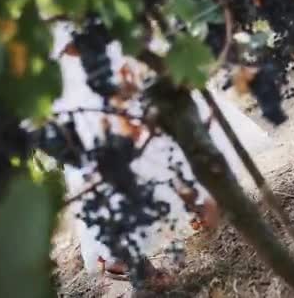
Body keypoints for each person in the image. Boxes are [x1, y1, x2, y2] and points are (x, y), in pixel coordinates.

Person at [50, 21, 270, 287]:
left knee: (133, 116)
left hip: (82, 32)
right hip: (66, 47)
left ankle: (198, 203)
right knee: (102, 135)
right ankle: (139, 262)